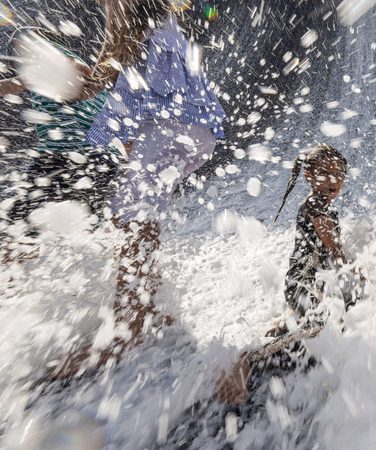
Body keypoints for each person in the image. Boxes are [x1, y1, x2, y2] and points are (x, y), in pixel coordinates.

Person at [52, 0, 225, 377]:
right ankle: (144, 307)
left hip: (170, 127)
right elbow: (123, 67)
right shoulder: (159, 15)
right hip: (193, 127)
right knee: (137, 214)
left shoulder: (123, 4)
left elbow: (106, 69)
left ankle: (127, 329)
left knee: (134, 216)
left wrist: (63, 83)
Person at [217, 144, 354, 404]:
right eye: (324, 172)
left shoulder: (322, 204)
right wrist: (354, 270)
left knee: (312, 317)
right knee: (313, 324)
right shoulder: (316, 205)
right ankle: (248, 359)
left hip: (308, 279)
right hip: (304, 281)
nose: (333, 180)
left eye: (339, 174)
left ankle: (284, 320)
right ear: (309, 176)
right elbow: (334, 248)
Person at [0, 28, 117, 261]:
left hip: (66, 158)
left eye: (23, 43)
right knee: (96, 231)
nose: (18, 49)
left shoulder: (53, 61)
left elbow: (16, 84)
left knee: (14, 229)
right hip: (100, 160)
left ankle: (11, 283)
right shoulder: (50, 68)